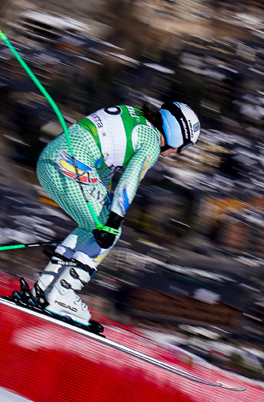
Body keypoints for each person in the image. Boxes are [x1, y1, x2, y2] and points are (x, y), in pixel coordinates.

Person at [17, 102, 200, 328]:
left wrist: (104, 218)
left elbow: (103, 170)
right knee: (109, 228)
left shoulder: (132, 114)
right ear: (175, 135)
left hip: (50, 160)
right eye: (182, 147)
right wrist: (115, 219)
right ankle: (62, 295)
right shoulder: (151, 143)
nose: (176, 154)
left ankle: (44, 289)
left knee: (92, 227)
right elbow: (130, 181)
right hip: (69, 166)